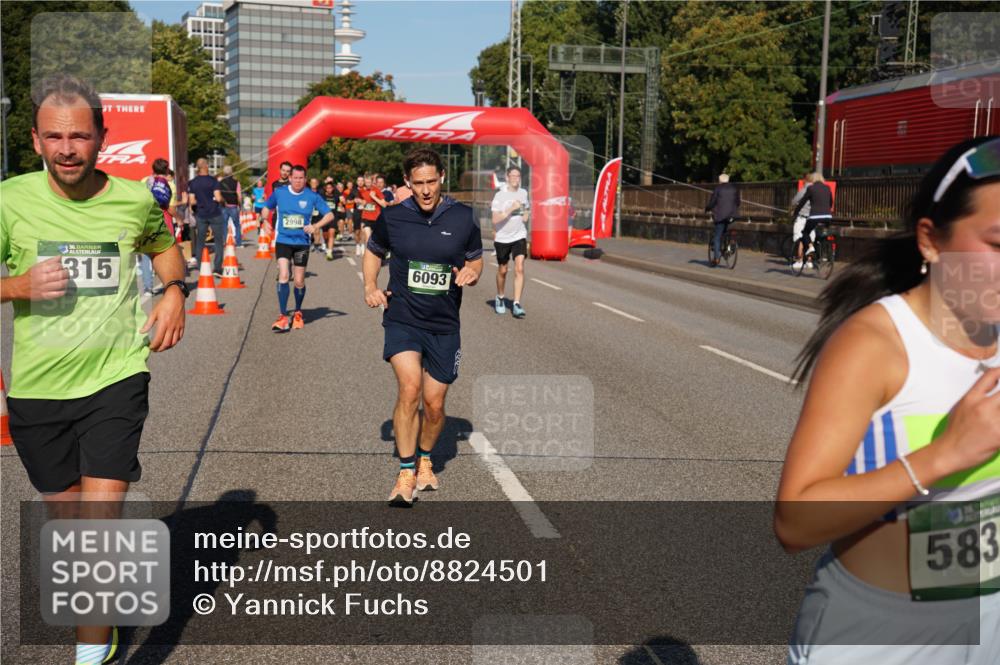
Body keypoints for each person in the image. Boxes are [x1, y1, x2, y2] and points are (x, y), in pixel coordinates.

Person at [775, 136, 1000, 665]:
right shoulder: (874, 345)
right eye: (998, 244)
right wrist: (945, 455)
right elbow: (794, 522)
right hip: (881, 636)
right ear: (931, 241)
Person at [0, 74, 187, 665]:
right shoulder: (10, 201)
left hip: (115, 379)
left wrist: (175, 290)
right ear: (35, 140)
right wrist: (19, 285)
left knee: (99, 526)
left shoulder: (134, 199)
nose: (67, 149)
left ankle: (89, 651)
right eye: (55, 137)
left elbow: (163, 246)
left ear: (102, 136)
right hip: (36, 391)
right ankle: (100, 616)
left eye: (80, 135)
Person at [363, 148, 483, 505]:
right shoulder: (393, 217)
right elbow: (373, 251)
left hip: (444, 324)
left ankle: (426, 458)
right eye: (419, 183)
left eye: (432, 181)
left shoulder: (462, 217)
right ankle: (405, 471)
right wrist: (370, 285)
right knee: (410, 388)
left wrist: (471, 273)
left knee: (433, 405)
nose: (426, 190)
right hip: (403, 318)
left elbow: (476, 260)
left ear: (442, 177)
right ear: (407, 183)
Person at [260, 165, 334, 332]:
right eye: (295, 178)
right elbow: (266, 208)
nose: (298, 181)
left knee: (299, 281)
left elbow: (330, 215)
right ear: (290, 178)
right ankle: (283, 316)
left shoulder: (312, 196)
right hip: (283, 240)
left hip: (301, 243)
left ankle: (298, 312)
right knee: (284, 275)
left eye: (301, 178)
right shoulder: (280, 192)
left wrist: (316, 226)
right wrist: (264, 221)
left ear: (305, 179)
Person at [490, 165, 530, 318]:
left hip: (519, 235)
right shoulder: (500, 196)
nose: (515, 179)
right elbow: (495, 219)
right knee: (503, 270)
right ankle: (500, 297)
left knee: (519, 268)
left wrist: (526, 214)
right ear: (507, 178)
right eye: (513, 176)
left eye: (518, 176)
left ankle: (516, 303)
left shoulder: (523, 193)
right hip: (502, 238)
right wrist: (510, 210)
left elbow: (526, 209)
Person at [187, 158, 225, 275]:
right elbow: (218, 198)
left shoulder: (193, 182)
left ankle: (200, 266)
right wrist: (223, 201)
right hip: (214, 213)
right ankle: (217, 268)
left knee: (200, 241)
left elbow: (192, 201)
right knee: (218, 241)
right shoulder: (213, 181)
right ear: (206, 166)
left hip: (201, 214)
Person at [792, 172, 835, 270]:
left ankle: (811, 247)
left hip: (815, 216)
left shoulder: (811, 188)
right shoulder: (827, 188)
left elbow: (802, 202)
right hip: (827, 216)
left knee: (805, 233)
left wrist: (795, 212)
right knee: (822, 234)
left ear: (813, 180)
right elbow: (831, 202)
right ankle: (824, 253)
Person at [705, 173, 741, 267]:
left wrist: (707, 208)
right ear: (728, 180)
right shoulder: (734, 188)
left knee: (717, 237)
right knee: (727, 230)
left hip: (720, 216)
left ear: (720, 181)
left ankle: (716, 258)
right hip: (732, 216)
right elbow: (738, 202)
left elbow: (712, 202)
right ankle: (731, 243)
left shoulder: (718, 189)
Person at [789, 172, 817, 267]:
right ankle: (809, 262)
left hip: (802, 218)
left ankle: (800, 261)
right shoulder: (815, 190)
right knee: (810, 238)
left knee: (800, 238)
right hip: (812, 218)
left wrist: (794, 208)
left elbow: (794, 201)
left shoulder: (804, 190)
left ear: (805, 180)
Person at [359, 173, 384, 256]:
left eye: (369, 182)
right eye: (366, 182)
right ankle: (371, 256)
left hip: (376, 218)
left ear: (372, 182)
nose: (367, 184)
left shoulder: (376, 190)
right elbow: (359, 201)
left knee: (376, 240)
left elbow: (384, 204)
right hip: (366, 217)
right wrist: (360, 202)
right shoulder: (362, 191)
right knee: (368, 238)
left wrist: (374, 197)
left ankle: (378, 254)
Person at [218, 164, 243, 247]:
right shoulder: (236, 182)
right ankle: (238, 243)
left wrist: (223, 202)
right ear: (231, 172)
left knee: (224, 225)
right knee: (237, 225)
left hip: (223, 206)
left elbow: (218, 194)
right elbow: (239, 195)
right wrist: (240, 205)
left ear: (224, 173)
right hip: (233, 206)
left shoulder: (220, 183)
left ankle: (225, 242)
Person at [321, 180, 340, 261]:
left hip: (333, 218)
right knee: (326, 235)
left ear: (333, 188)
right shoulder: (322, 196)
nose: (329, 189)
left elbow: (340, 197)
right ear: (325, 188)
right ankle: (326, 244)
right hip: (324, 218)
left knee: (331, 233)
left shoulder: (335, 196)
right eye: (327, 188)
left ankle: (330, 252)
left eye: (330, 188)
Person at [351, 175, 366, 256]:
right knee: (357, 231)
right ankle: (357, 245)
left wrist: (363, 201)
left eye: (362, 180)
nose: (360, 182)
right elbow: (347, 201)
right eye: (359, 181)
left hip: (365, 212)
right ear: (357, 182)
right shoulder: (353, 191)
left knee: (363, 230)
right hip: (356, 212)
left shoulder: (366, 190)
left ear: (364, 182)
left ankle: (363, 245)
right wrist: (354, 200)